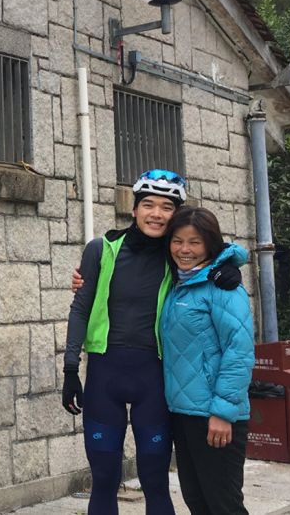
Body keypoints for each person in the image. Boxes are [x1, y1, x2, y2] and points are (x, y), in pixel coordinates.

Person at [62, 169, 241, 515]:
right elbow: (80, 310)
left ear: (176, 216)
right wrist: (70, 368)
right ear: (134, 208)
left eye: (166, 207)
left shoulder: (178, 257)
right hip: (103, 376)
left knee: (156, 483)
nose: (156, 214)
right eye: (148, 204)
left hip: (155, 380)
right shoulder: (101, 250)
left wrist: (231, 264)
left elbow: (216, 249)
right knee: (103, 481)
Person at [160, 207, 254, 514]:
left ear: (209, 245)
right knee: (198, 502)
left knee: (224, 505)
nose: (184, 249)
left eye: (195, 242)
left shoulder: (223, 288)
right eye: (177, 240)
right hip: (184, 413)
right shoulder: (177, 284)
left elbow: (239, 352)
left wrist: (223, 413)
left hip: (215, 416)